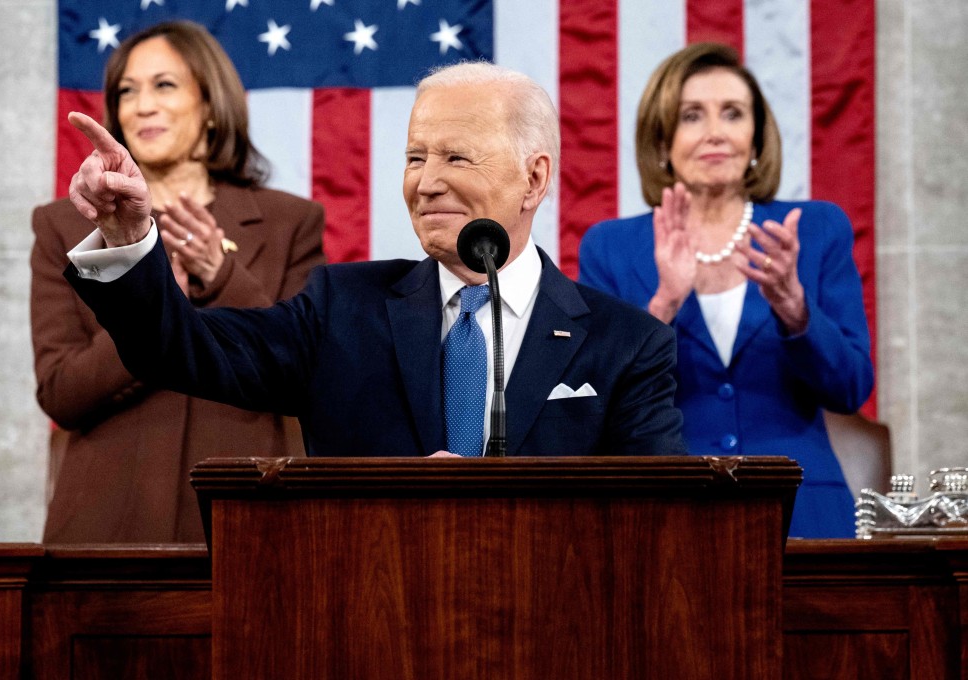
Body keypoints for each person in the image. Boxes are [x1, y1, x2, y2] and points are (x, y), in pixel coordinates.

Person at [60, 61, 687, 461]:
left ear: (534, 179)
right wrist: (131, 238)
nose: (427, 182)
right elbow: (179, 349)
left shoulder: (628, 345)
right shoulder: (341, 309)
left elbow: (657, 523)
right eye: (416, 158)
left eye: (456, 159)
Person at [31, 21, 325, 543]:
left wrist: (222, 274)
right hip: (108, 527)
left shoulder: (290, 223)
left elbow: (303, 377)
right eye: (128, 90)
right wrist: (147, 293)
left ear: (210, 104)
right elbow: (61, 394)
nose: (142, 105)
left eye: (164, 85)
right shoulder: (64, 225)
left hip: (251, 519)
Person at [578, 43, 873, 538]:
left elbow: (850, 390)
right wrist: (663, 305)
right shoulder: (610, 247)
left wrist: (796, 311)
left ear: (756, 137)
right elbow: (595, 402)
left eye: (733, 114)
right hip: (671, 514)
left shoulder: (817, 230)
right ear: (662, 140)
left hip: (804, 512)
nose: (715, 132)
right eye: (692, 116)